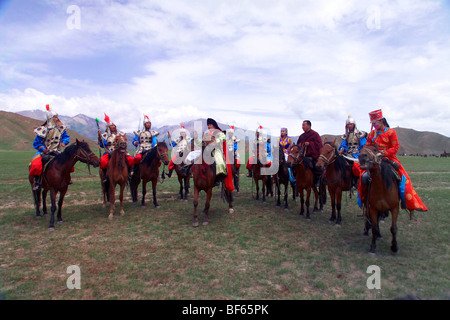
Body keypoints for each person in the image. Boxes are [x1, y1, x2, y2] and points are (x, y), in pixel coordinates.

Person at [357, 109, 428, 212]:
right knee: (363, 177)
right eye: (372, 123)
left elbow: (395, 147)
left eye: (375, 123)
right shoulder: (372, 134)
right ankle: (365, 200)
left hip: (388, 159)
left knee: (403, 178)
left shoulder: (391, 132)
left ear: (381, 121)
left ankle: (405, 202)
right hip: (373, 160)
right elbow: (367, 146)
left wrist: (383, 153)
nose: (373, 125)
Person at [29, 104, 71, 190]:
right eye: (54, 117)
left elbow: (66, 137)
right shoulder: (43, 130)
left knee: (68, 162)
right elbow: (37, 143)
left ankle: (67, 178)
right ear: (50, 118)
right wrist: (43, 149)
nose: (56, 119)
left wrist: (64, 142)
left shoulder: (61, 128)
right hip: (44, 152)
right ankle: (37, 181)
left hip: (57, 150)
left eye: (57, 117)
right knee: (36, 164)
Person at [98, 113, 134, 180]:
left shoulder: (121, 134)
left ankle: (129, 173)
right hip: (109, 151)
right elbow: (102, 145)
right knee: (103, 162)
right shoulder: (105, 135)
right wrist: (100, 140)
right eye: (111, 126)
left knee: (131, 160)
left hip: (121, 151)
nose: (113, 127)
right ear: (108, 128)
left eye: (114, 126)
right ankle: (105, 176)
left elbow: (125, 142)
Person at [338, 114, 367, 189]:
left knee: (356, 166)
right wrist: (342, 149)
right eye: (348, 124)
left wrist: (361, 150)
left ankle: (356, 181)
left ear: (354, 124)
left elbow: (364, 143)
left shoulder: (359, 134)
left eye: (350, 124)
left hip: (357, 153)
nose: (349, 126)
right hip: (347, 153)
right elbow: (344, 143)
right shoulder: (346, 135)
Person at [296, 120, 323, 186]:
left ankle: (317, 180)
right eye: (302, 125)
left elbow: (319, 145)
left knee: (316, 166)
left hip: (312, 155)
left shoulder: (315, 134)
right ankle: (296, 180)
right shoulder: (302, 136)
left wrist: (310, 144)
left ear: (309, 126)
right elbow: (298, 145)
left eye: (304, 125)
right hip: (303, 155)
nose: (302, 127)